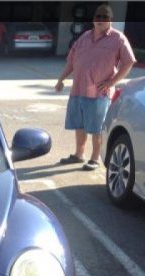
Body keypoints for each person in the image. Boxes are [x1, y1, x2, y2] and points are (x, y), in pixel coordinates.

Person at [56, 4, 136, 170]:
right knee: (79, 125)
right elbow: (71, 61)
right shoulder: (84, 36)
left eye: (104, 17)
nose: (100, 19)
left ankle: (95, 159)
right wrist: (61, 79)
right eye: (98, 16)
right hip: (78, 90)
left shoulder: (118, 38)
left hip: (99, 94)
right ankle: (79, 154)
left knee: (97, 128)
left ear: (110, 20)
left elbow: (129, 62)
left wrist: (111, 82)